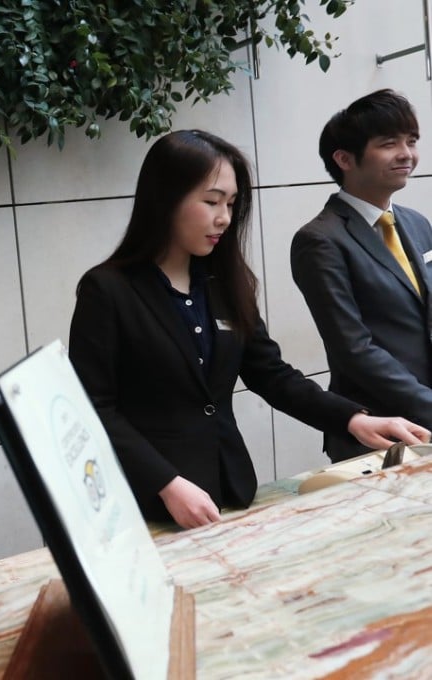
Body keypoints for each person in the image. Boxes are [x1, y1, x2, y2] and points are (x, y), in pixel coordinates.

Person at [68, 129, 429, 529]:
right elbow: (92, 408)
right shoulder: (108, 290)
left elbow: (272, 375)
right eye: (211, 201)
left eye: (231, 203)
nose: (224, 217)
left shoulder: (224, 284)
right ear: (165, 200)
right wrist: (166, 483)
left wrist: (353, 419)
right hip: (147, 503)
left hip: (229, 490)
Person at [291, 89, 432, 462]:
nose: (407, 153)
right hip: (377, 433)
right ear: (344, 159)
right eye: (389, 143)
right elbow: (354, 349)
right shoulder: (319, 240)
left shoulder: (417, 224)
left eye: (411, 141)